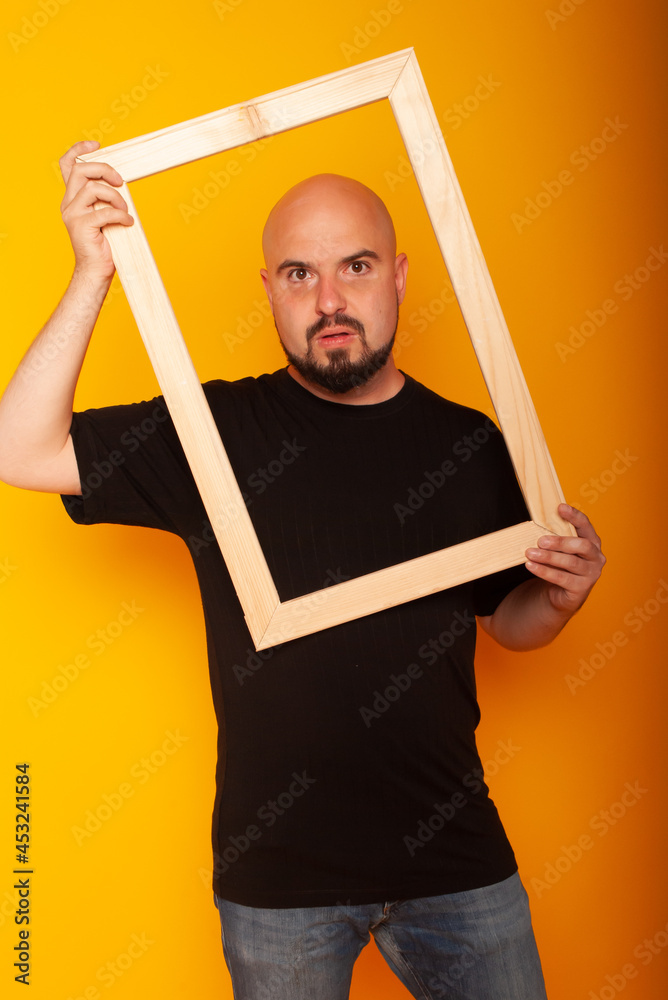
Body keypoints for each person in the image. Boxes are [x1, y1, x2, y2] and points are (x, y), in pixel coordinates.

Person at [0, 140, 605, 999]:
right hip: (278, 884)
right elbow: (18, 447)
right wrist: (95, 269)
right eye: (297, 274)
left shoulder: (468, 445)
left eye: (355, 267)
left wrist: (562, 597)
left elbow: (508, 622)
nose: (329, 301)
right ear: (269, 291)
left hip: (456, 863)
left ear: (398, 275)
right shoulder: (211, 434)